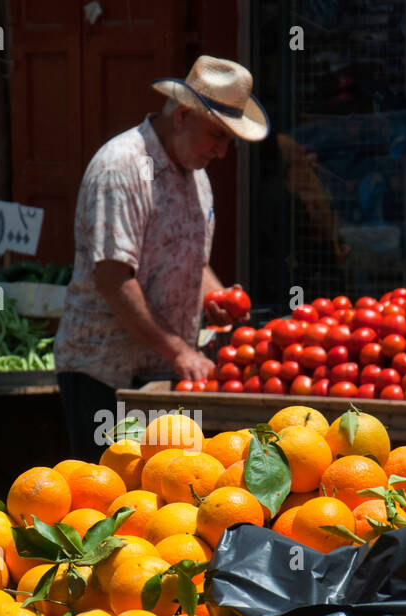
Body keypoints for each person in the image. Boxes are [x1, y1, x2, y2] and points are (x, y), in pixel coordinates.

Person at [55, 55, 269, 463]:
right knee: (109, 496)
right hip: (105, 374)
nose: (222, 152)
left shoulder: (196, 174)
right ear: (183, 115)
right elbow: (114, 279)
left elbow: (190, 258)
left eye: (229, 141)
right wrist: (180, 352)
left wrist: (220, 300)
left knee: (162, 497)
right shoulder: (122, 167)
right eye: (216, 136)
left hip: (161, 374)